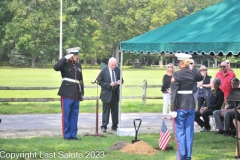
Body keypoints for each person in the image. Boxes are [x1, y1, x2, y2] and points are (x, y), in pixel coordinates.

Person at [171, 53, 203, 160]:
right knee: (189, 132)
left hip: (180, 105)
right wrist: (192, 67)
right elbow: (200, 77)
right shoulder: (192, 73)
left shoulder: (176, 75)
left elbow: (174, 93)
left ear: (181, 63)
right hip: (191, 104)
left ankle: (182, 156)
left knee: (180, 132)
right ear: (187, 63)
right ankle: (188, 156)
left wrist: (172, 109)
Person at [54, 47, 84, 140]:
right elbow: (56, 67)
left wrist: (81, 93)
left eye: (76, 54)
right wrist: (65, 58)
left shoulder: (78, 65)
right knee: (66, 115)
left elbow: (80, 80)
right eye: (74, 54)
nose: (76, 56)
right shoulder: (64, 64)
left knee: (74, 115)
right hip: (67, 92)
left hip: (76, 93)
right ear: (70, 54)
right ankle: (66, 135)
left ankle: (73, 134)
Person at [98, 57, 123, 133]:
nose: (113, 67)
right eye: (112, 65)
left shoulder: (118, 70)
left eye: (115, 65)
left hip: (115, 93)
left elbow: (122, 80)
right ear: (108, 63)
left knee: (115, 111)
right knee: (106, 111)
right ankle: (104, 126)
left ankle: (115, 125)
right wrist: (109, 84)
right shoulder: (103, 70)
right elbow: (100, 82)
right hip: (106, 93)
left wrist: (119, 82)